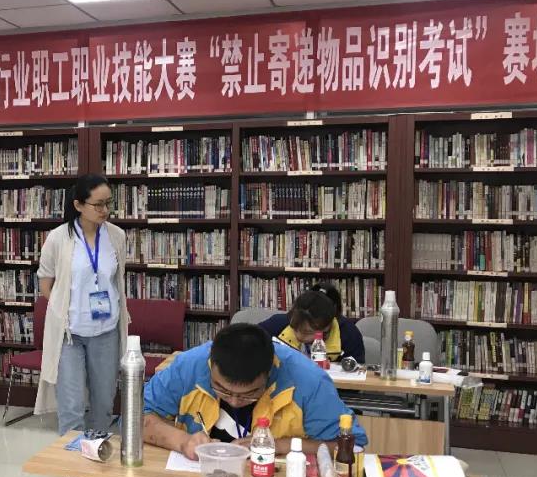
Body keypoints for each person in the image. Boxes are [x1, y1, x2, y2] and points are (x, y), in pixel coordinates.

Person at [143, 323, 367, 460]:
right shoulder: (189, 366)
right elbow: (135, 418)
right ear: (210, 365)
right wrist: (183, 441)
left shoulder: (308, 381)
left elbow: (353, 446)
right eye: (221, 389)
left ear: (269, 373)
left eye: (248, 394)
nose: (234, 401)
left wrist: (280, 445)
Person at [34, 174, 128, 435]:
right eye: (98, 204)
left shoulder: (117, 236)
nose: (104, 210)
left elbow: (116, 280)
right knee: (72, 407)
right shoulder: (58, 238)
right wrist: (63, 309)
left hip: (106, 332)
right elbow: (46, 282)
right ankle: (72, 460)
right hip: (69, 335)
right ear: (78, 205)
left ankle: (97, 451)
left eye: (108, 203)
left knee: (103, 405)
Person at [260, 282, 365, 363]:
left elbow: (357, 371)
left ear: (327, 327)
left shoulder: (348, 333)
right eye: (295, 328)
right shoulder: (278, 323)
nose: (299, 336)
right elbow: (251, 345)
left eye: (307, 332)